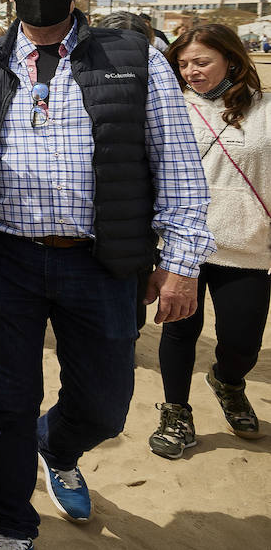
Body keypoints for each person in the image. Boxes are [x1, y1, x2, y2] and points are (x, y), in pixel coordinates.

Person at [0, 0, 214, 548]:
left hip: (101, 264)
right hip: (5, 260)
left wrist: (180, 265)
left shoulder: (136, 56)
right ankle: (12, 524)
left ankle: (59, 444)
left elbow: (176, 165)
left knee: (104, 406)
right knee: (9, 404)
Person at [148, 24, 270, 457]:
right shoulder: (170, 107)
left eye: (201, 62)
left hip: (248, 244)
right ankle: (176, 412)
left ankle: (228, 383)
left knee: (242, 342)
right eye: (183, 65)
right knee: (180, 331)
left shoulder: (266, 109)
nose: (191, 72)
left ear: (231, 60)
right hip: (183, 243)